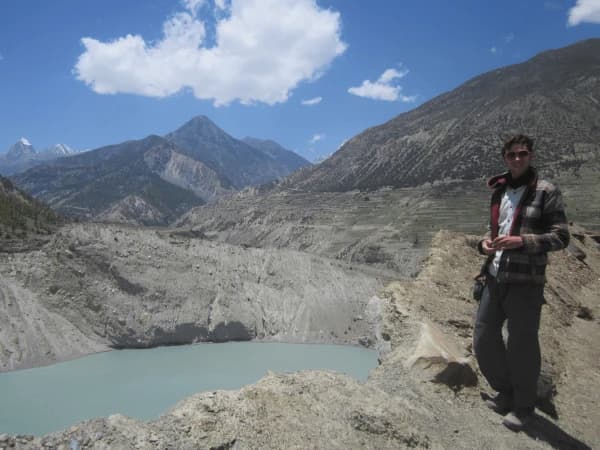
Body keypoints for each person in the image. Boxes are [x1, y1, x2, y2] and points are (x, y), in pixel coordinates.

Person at [474, 134, 570, 431]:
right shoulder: (499, 191)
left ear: (530, 156)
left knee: (523, 344)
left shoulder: (546, 191)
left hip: (526, 281)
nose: (518, 159)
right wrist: (484, 245)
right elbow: (494, 230)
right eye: (512, 154)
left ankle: (524, 407)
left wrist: (522, 241)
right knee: (484, 337)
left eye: (523, 154)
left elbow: (561, 236)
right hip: (495, 275)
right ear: (505, 157)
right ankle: (506, 391)